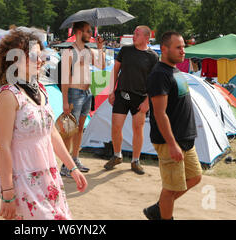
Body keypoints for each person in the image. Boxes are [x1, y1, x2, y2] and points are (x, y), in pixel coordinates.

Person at [0, 29, 87, 220]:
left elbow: (51, 133)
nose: (40, 60)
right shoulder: (8, 95)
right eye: (33, 56)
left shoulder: (42, 90)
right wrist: (7, 192)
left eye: (41, 55)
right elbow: (3, 146)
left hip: (48, 175)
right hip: (23, 178)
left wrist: (72, 167)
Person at [143, 31, 202, 220]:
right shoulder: (159, 74)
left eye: (183, 47)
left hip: (185, 139)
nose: (183, 51)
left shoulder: (175, 70)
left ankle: (158, 209)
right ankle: (164, 215)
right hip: (170, 141)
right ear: (164, 49)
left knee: (195, 177)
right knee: (170, 189)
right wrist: (172, 144)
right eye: (178, 47)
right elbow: (159, 114)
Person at [104, 26, 158, 174]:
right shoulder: (125, 50)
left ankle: (135, 160)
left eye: (137, 34)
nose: (134, 36)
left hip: (140, 98)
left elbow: (154, 82)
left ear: (146, 38)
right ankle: (117, 155)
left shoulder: (152, 56)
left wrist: (147, 101)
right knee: (115, 127)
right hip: (121, 95)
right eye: (134, 33)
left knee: (138, 129)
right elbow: (115, 70)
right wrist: (111, 91)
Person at [59, 21, 105, 177]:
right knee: (70, 130)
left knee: (79, 129)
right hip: (74, 93)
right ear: (79, 32)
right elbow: (65, 78)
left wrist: (100, 49)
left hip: (86, 94)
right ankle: (66, 165)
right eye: (87, 31)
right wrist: (65, 100)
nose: (90, 34)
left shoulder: (88, 50)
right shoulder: (69, 53)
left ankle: (75, 159)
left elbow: (101, 66)